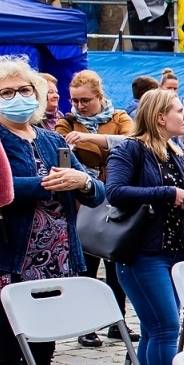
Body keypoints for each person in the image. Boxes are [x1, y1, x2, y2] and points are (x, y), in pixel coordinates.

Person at [0, 56, 99, 365]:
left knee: (42, 354)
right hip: (8, 264)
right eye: (6, 92)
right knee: (4, 357)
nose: (17, 98)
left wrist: (83, 181)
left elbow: (96, 190)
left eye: (24, 90)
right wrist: (48, 183)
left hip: (56, 263)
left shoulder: (52, 139)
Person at [104, 89, 184, 365]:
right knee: (166, 328)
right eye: (178, 111)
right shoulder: (130, 148)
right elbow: (114, 192)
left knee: (153, 328)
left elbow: (183, 199)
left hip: (173, 250)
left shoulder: (176, 150)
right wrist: (167, 192)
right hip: (142, 252)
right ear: (160, 117)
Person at [59, 70, 135, 342]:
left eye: (85, 100)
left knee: (116, 266)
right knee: (87, 267)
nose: (79, 106)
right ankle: (86, 327)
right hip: (84, 201)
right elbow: (60, 151)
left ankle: (118, 322)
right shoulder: (67, 122)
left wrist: (89, 139)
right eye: (75, 100)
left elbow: (131, 141)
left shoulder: (119, 117)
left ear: (100, 97)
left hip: (115, 200)